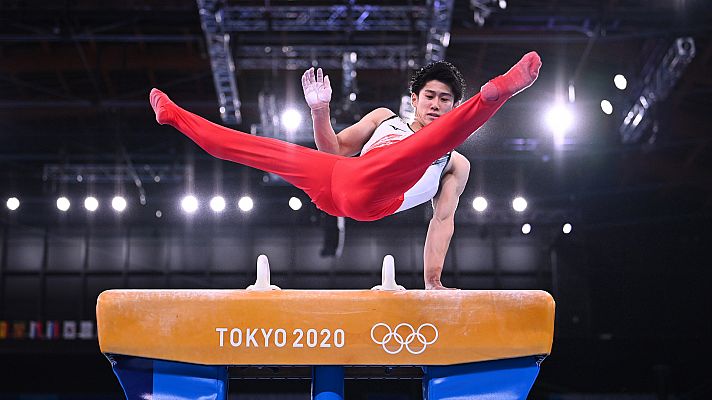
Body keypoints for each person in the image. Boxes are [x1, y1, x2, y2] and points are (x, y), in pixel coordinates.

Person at [149, 51, 541, 289]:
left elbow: (441, 222)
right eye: (429, 97)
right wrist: (320, 113)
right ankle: (175, 116)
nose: (436, 105)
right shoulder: (384, 117)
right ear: (413, 99)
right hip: (336, 182)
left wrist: (432, 280)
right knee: (258, 149)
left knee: (429, 146)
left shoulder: (455, 163)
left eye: (445, 100)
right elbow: (333, 149)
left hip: (377, 197)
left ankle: (496, 93)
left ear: (455, 107)